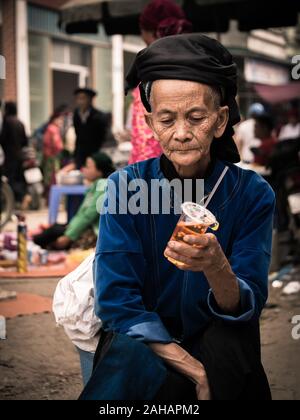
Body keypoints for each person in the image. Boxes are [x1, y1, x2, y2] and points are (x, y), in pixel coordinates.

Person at [92, 34, 275, 400]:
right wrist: (195, 371)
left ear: (220, 120)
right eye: (166, 119)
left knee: (228, 354)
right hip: (147, 340)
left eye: (196, 117)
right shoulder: (125, 187)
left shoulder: (253, 194)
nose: (181, 134)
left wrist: (216, 265)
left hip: (218, 336)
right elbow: (116, 300)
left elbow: (246, 303)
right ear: (150, 123)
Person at [128, 0, 192, 164]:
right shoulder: (192, 66)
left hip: (156, 173)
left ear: (152, 33)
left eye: (142, 30)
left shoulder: (153, 71)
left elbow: (145, 141)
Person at [33, 152, 115, 250]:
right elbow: (82, 215)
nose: (83, 169)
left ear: (100, 170)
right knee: (54, 230)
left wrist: (68, 236)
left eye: (88, 167)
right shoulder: (98, 185)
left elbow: (87, 216)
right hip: (86, 229)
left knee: (49, 235)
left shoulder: (103, 185)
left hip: (94, 233)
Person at [0, 102, 29, 208]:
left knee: (11, 180)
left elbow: (2, 139)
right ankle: (23, 197)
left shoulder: (7, 121)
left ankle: (14, 202)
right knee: (19, 178)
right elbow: (25, 141)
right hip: (20, 155)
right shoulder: (20, 122)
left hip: (10, 156)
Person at [73, 88, 109, 169]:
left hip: (94, 153)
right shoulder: (76, 114)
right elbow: (77, 134)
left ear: (90, 100)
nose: (80, 101)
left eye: (83, 98)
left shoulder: (99, 116)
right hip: (80, 154)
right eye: (78, 98)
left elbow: (103, 136)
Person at [42, 111, 64, 200]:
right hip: (52, 157)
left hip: (48, 156)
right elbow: (57, 145)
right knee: (53, 179)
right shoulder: (53, 129)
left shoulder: (49, 128)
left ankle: (49, 199)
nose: (61, 122)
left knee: (49, 178)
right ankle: (52, 199)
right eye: (60, 119)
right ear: (55, 119)